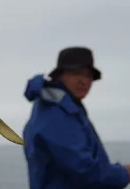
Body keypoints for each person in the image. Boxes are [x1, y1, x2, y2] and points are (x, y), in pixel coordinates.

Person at [22, 46, 130, 189]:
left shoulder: (64, 108)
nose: (84, 81)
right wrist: (124, 173)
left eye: (88, 76)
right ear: (59, 75)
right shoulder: (55, 114)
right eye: (76, 73)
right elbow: (84, 170)